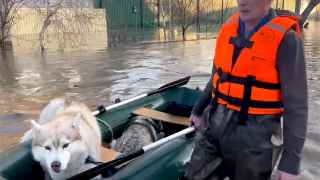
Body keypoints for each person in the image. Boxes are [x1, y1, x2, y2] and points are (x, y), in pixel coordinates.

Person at [184, 0, 308, 180]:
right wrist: (198, 109)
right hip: (215, 125)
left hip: (256, 139)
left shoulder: (287, 40)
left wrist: (291, 162)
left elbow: (297, 106)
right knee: (191, 176)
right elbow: (217, 77)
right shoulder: (228, 29)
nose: (243, 2)